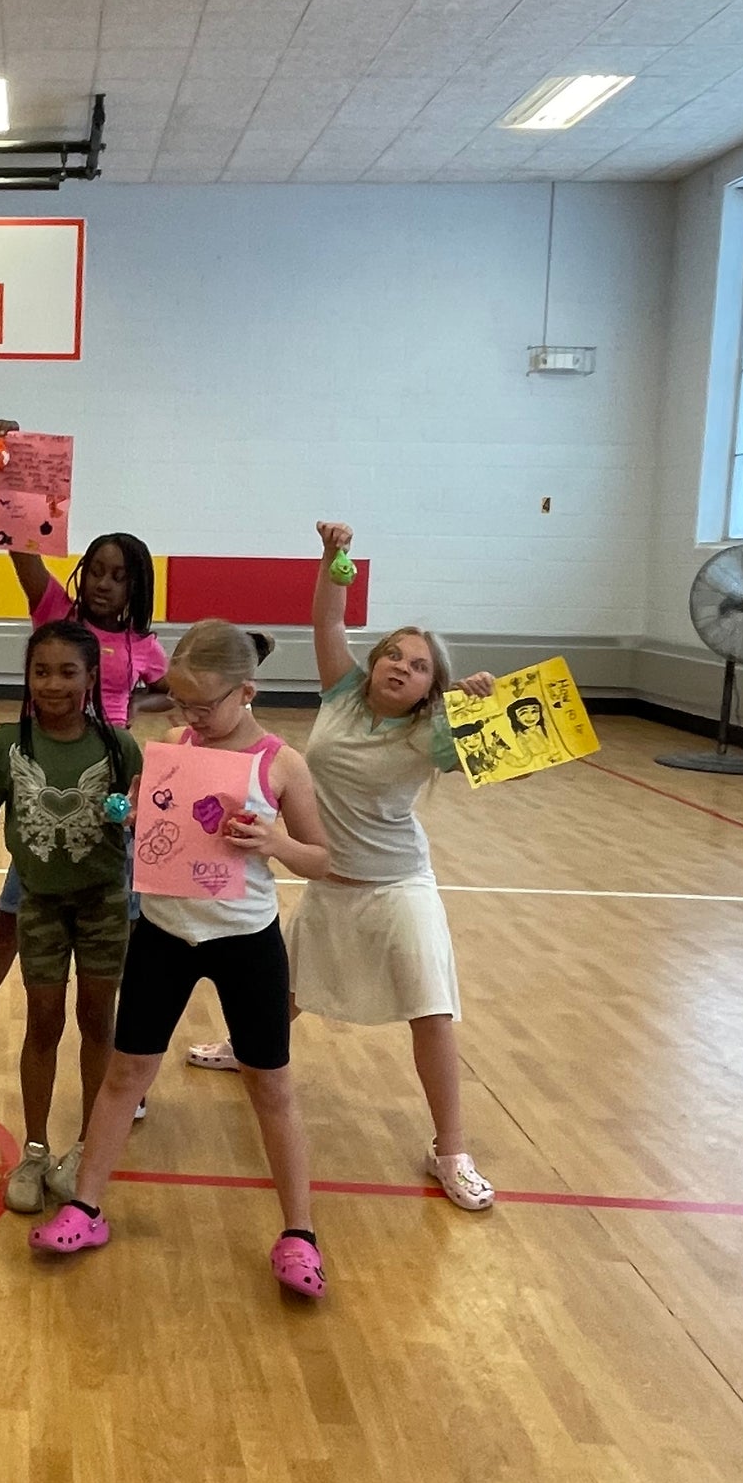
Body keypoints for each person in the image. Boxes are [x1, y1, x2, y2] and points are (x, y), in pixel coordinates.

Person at [28, 620, 333, 1297]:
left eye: (203, 704)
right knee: (126, 1073)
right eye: (182, 702)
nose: (190, 715)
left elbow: (322, 858)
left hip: (246, 939)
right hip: (165, 933)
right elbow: (157, 824)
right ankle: (86, 1206)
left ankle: (300, 1233)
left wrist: (276, 843)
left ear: (246, 691)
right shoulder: (172, 746)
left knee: (271, 1086)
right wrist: (135, 813)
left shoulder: (281, 763)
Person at [0, 513, 168, 1090]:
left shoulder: (143, 645)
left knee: (118, 948)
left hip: (110, 804)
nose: (104, 583)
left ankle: (118, 1075)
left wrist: (137, 706)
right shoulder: (57, 615)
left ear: (136, 586)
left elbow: (172, 690)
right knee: (6, 927)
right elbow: (22, 551)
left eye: (119, 576)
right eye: (96, 571)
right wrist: (14, 480)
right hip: (45, 793)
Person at [274, 517, 499, 1211]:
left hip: (398, 883)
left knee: (430, 1010)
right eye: (393, 654)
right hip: (329, 879)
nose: (401, 666)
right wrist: (332, 556)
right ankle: (243, 1045)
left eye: (418, 665)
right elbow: (328, 618)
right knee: (284, 993)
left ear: (432, 688)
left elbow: (514, 765)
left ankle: (450, 1150)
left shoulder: (434, 733)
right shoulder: (341, 691)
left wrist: (487, 711)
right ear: (374, 662)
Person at [0, 622, 142, 1216]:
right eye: (41, 671)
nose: (53, 683)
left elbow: (150, 828)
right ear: (27, 676)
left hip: (105, 905)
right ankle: (35, 1150)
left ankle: (88, 1147)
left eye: (67, 672)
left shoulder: (120, 747)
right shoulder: (6, 745)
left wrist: (134, 818)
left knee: (97, 1021)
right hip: (38, 904)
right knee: (42, 1021)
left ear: (92, 677)